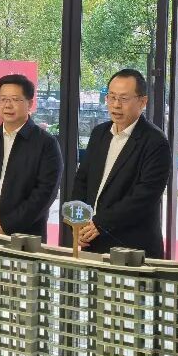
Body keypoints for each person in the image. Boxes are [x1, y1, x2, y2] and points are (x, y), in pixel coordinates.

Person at [72, 68, 171, 258]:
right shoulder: (99, 133)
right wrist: (78, 222)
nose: (116, 105)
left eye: (124, 99)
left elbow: (144, 196)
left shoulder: (155, 141)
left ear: (142, 101)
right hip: (91, 241)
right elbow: (82, 180)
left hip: (132, 248)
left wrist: (100, 223)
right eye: (111, 97)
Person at [0, 74, 62, 240]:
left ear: (30, 104)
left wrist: (7, 225)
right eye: (3, 99)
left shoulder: (46, 144)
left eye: (15, 99)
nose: (8, 105)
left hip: (25, 238)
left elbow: (44, 194)